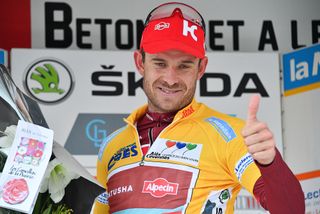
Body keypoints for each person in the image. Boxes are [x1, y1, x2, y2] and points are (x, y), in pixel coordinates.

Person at [93, 2, 305, 213]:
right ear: (140, 62)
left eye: (184, 66)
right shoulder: (111, 145)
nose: (171, 78)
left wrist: (270, 163)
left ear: (201, 68)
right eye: (160, 63)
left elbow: (291, 210)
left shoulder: (230, 135)